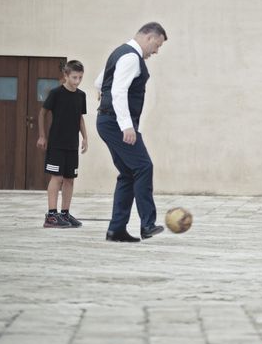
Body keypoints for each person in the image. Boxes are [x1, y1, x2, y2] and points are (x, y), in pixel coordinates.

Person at [95, 22, 167, 242]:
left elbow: (99, 82)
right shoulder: (131, 57)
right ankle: (147, 224)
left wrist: (104, 99)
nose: (156, 51)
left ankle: (116, 230)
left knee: (128, 174)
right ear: (148, 37)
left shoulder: (120, 52)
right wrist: (126, 125)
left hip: (108, 121)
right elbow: (117, 90)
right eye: (157, 45)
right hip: (117, 123)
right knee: (143, 166)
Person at [37, 60, 88, 228]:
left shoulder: (81, 95)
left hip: (72, 144)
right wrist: (42, 136)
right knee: (57, 178)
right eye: (74, 77)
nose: (77, 81)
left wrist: (85, 138)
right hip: (57, 143)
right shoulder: (56, 93)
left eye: (80, 77)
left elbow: (80, 118)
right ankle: (51, 215)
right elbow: (42, 113)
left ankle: (64, 215)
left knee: (70, 179)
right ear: (66, 75)